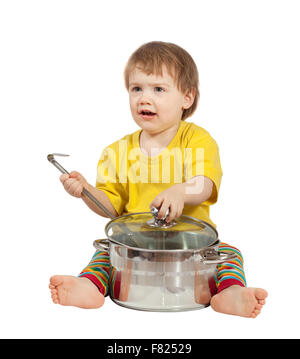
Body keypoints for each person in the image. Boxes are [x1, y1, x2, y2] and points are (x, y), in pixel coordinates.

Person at [49, 41, 267, 318]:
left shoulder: (196, 140)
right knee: (105, 256)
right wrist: (86, 192)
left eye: (159, 89)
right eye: (136, 88)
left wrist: (181, 191)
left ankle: (230, 293)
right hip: (135, 244)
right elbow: (111, 211)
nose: (144, 98)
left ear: (187, 98)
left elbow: (206, 183)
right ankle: (89, 286)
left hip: (193, 247)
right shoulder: (116, 151)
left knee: (230, 255)